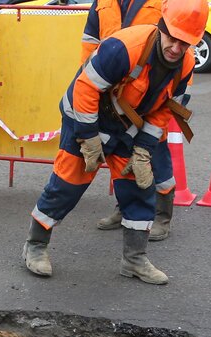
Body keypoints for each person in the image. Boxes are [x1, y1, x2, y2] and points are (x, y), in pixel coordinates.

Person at [21, 0, 207, 285]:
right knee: (67, 184)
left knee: (138, 189)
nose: (176, 49)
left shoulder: (185, 64)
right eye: (172, 39)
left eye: (185, 43)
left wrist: (144, 149)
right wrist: (88, 137)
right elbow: (84, 88)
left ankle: (134, 260)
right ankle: (35, 247)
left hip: (127, 126)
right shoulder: (123, 48)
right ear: (161, 27)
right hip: (86, 115)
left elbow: (165, 110)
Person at [81, 0, 180, 242]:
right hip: (114, 95)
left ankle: (162, 216)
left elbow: (180, 43)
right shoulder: (103, 2)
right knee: (123, 158)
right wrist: (90, 77)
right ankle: (125, 207)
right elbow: (90, 42)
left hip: (151, 93)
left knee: (156, 154)